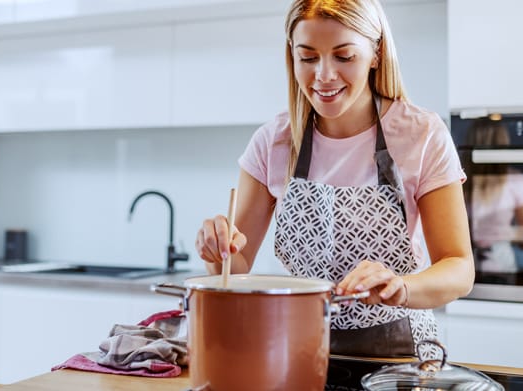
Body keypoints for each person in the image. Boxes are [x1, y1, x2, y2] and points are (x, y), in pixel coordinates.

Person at [195, 0, 474, 357]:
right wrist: (216, 249)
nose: (324, 75)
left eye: (344, 56)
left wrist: (400, 287)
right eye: (308, 58)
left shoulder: (421, 134)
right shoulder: (273, 142)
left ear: (375, 54)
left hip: (400, 354)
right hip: (298, 349)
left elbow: (459, 268)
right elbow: (235, 267)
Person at [464, 119, 523, 273]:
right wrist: (506, 233)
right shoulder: (516, 181)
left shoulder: (458, 181)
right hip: (497, 264)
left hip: (466, 265)